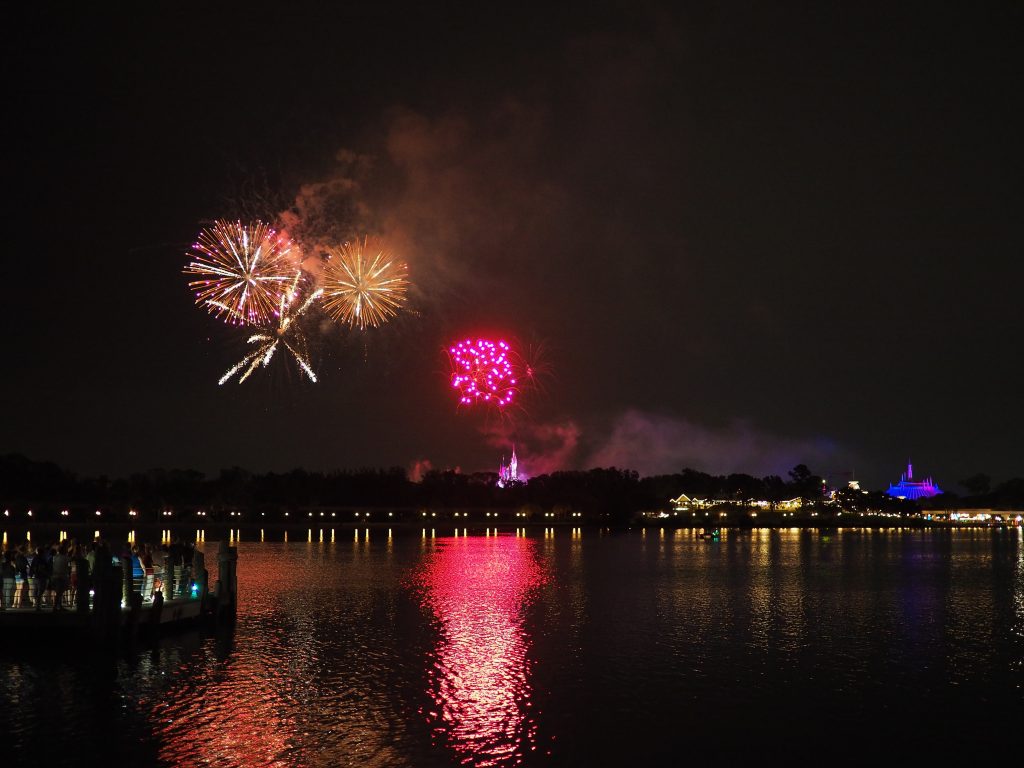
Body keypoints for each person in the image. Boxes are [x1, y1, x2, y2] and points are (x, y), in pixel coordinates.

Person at [29, 545, 51, 610]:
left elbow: (32, 567)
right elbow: (46, 568)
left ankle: (37, 605)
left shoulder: (35, 558)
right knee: (40, 591)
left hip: (36, 577)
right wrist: (48, 575)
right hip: (42, 577)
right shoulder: (43, 559)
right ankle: (38, 605)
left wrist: (31, 574)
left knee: (36, 591)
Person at [50, 544, 70, 611]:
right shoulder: (65, 557)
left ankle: (58, 606)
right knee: (59, 592)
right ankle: (56, 607)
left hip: (55, 576)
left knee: (59, 592)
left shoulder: (55, 557)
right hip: (62, 576)